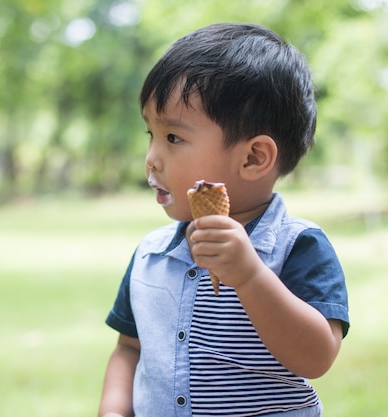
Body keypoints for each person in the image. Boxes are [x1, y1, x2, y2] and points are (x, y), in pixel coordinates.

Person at [98, 23, 350, 417]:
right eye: (151, 133)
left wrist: (249, 275)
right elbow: (129, 347)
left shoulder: (297, 245)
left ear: (253, 158)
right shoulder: (151, 254)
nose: (151, 157)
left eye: (173, 138)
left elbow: (316, 357)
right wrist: (114, 410)